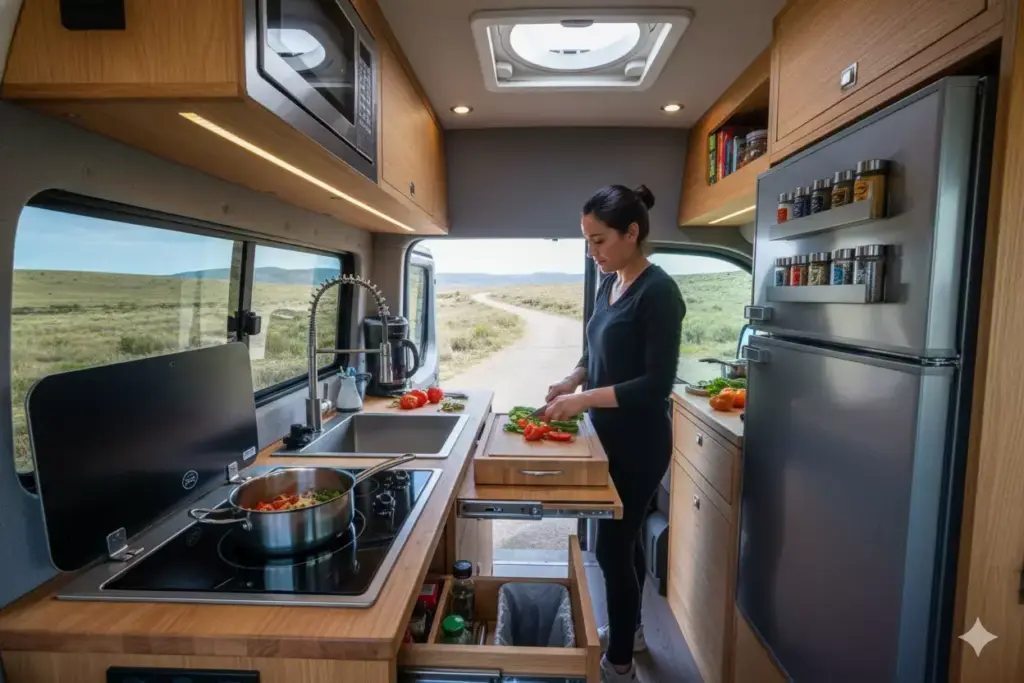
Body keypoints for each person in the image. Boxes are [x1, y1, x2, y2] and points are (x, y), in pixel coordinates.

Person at [543, 184, 685, 683]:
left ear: (632, 233)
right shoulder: (610, 283)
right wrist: (573, 378)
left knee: (610, 548)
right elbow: (596, 349)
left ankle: (619, 663)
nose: (592, 251)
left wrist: (582, 400)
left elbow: (655, 385)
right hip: (605, 437)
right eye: (587, 240)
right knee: (625, 544)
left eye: (599, 240)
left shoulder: (659, 292)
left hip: (640, 444)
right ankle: (634, 631)